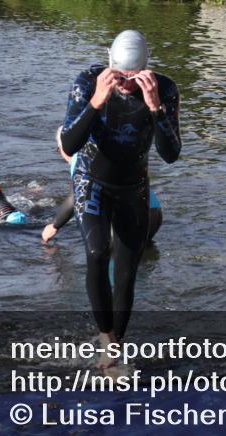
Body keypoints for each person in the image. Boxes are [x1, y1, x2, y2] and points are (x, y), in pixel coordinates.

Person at [60, 30, 181, 366]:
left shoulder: (165, 89)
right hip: (91, 181)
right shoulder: (87, 82)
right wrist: (97, 101)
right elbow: (69, 144)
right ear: (109, 62)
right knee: (98, 253)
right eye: (120, 76)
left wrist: (156, 109)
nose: (126, 85)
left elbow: (171, 153)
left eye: (133, 77)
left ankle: (115, 347)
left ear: (146, 68)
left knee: (127, 269)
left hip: (133, 186)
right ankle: (105, 334)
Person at [42, 126, 162, 243]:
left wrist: (55, 226)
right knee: (139, 258)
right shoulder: (98, 153)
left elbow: (75, 198)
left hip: (132, 218)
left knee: (112, 259)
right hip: (154, 212)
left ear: (66, 146)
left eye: (59, 150)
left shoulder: (80, 160)